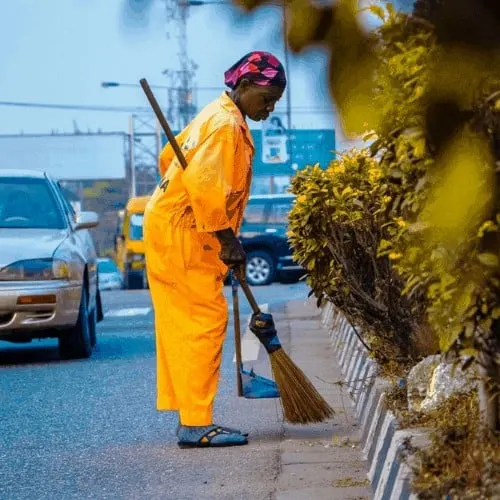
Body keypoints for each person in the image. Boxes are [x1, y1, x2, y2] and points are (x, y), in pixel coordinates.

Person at [143, 51, 286, 449]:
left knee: (184, 322)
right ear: (243, 86)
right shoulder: (225, 125)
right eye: (266, 98)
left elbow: (169, 158)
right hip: (185, 231)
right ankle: (195, 424)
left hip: (171, 223)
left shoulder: (217, 113)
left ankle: (189, 415)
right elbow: (205, 187)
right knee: (204, 320)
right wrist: (228, 242)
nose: (270, 108)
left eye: (275, 101)